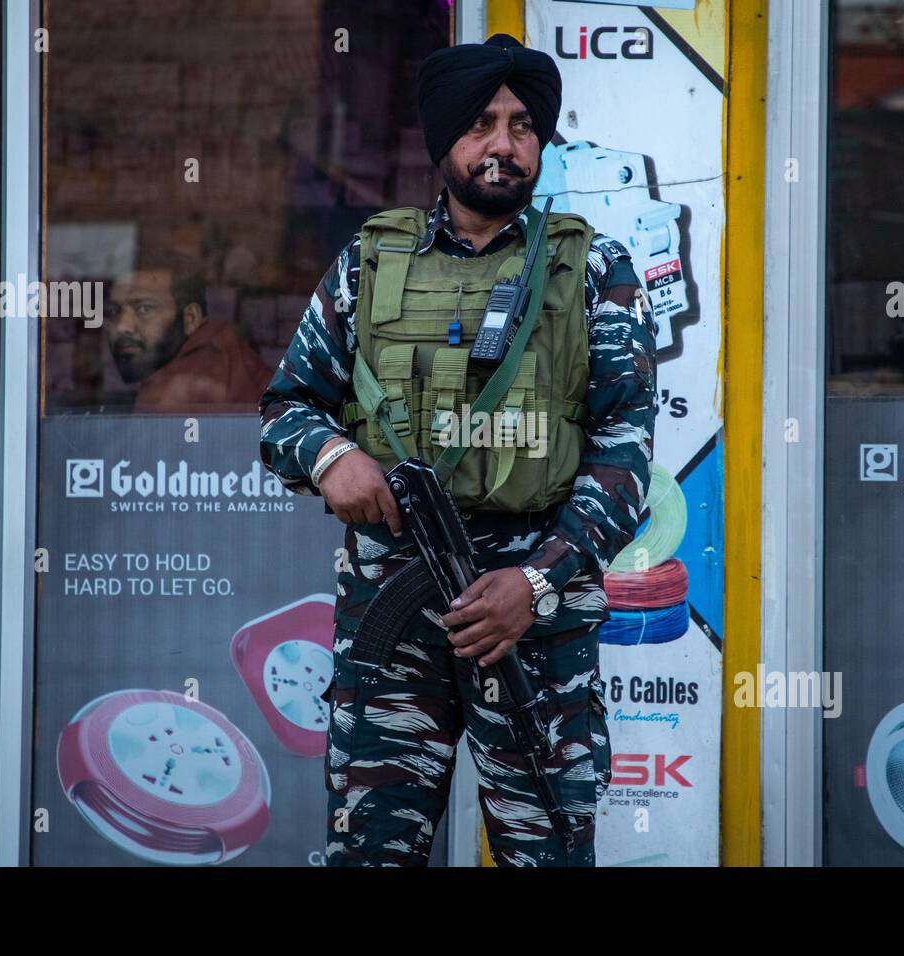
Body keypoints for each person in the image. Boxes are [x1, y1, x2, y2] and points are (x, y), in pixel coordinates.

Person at [259, 34, 656, 867]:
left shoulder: (594, 271)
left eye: (521, 125)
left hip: (532, 629)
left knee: (547, 850)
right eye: (481, 124)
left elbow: (624, 456)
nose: (503, 145)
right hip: (393, 618)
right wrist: (335, 460)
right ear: (445, 140)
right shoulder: (369, 266)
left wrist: (537, 581)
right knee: (372, 853)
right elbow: (286, 410)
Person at [105, 253, 272, 412]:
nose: (122, 326)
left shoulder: (185, 387)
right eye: (114, 312)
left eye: (144, 308)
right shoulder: (223, 354)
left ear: (190, 318)